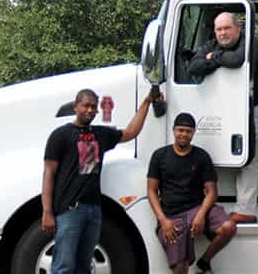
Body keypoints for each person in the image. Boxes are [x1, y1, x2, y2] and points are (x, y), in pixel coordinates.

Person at [42, 87, 158, 274]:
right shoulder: (60, 135)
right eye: (86, 106)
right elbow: (49, 174)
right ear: (76, 106)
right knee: (63, 266)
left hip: (94, 209)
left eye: (93, 107)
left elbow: (130, 133)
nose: (90, 110)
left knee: (84, 266)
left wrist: (146, 102)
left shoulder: (100, 135)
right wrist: (47, 211)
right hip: (69, 209)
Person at [188, 11, 258, 222]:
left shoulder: (251, 43)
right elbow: (193, 66)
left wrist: (214, 58)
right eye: (219, 29)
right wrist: (214, 59)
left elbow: (237, 60)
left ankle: (245, 210)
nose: (222, 33)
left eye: (227, 28)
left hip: (257, 108)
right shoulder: (211, 45)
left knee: (249, 156)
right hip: (227, 109)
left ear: (238, 28)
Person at [147, 112, 237, 274]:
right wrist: (163, 221)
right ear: (173, 130)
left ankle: (204, 262)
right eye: (180, 130)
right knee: (180, 268)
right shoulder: (160, 156)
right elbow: (151, 191)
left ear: (193, 133)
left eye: (188, 131)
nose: (183, 134)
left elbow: (211, 192)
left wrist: (201, 215)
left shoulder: (201, 157)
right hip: (171, 216)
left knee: (228, 226)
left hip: (197, 208)